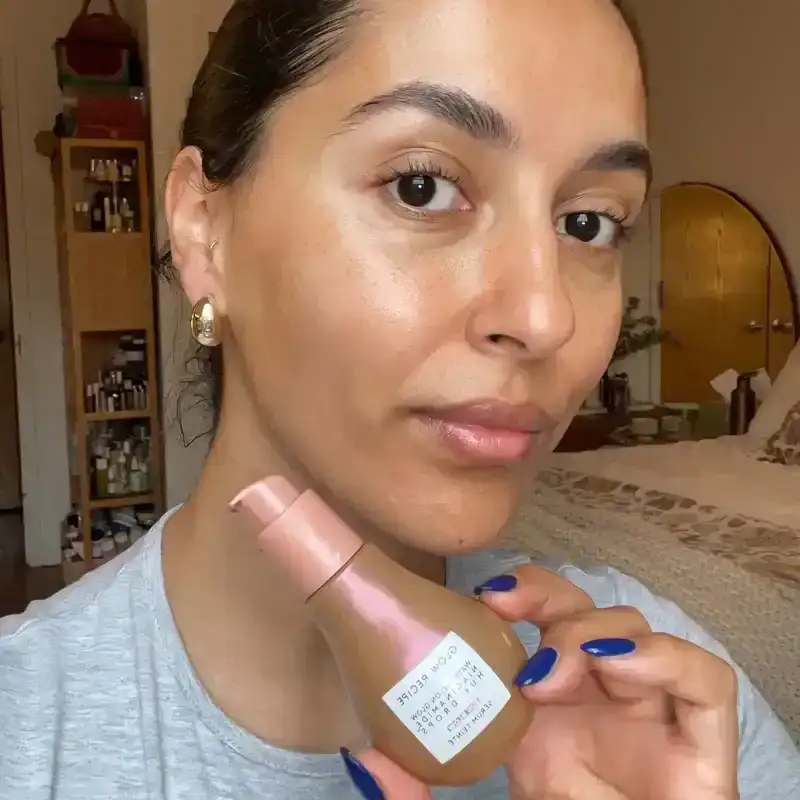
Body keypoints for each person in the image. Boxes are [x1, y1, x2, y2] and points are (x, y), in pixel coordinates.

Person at [1, 0, 798, 797]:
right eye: (421, 187)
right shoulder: (27, 729)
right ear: (205, 228)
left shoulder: (669, 701)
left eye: (588, 223)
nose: (545, 317)